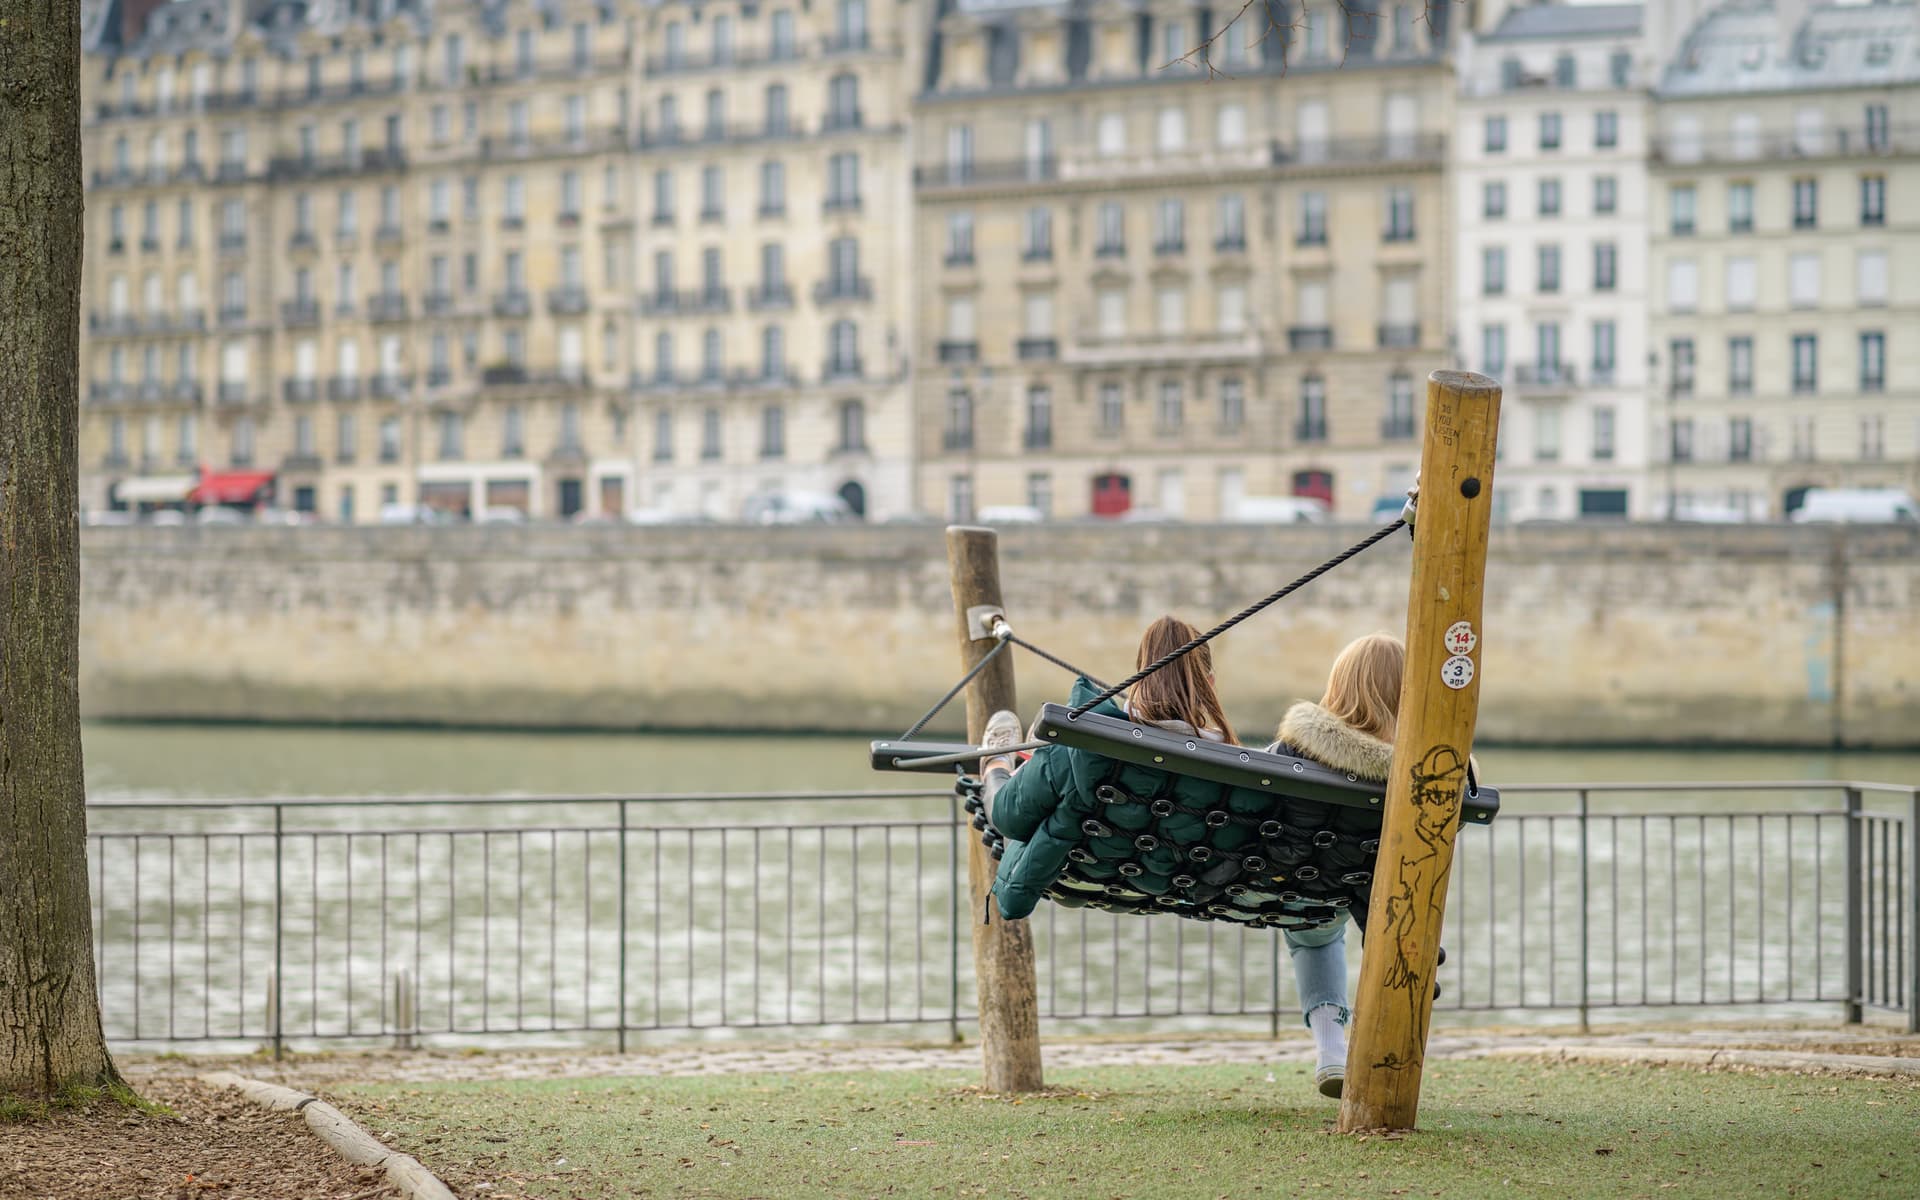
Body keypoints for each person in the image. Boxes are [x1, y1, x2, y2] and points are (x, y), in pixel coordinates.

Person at [978, 615, 1235, 920]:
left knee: (1015, 797)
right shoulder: (1233, 772)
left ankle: (995, 759)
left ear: (1141, 677)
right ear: (1210, 684)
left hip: (1078, 868)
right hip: (1169, 883)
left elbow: (1009, 817)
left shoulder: (1088, 746)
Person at [1266, 631, 1405, 1099]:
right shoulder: (1419, 770)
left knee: (1314, 925)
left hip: (1287, 883)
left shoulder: (1291, 751)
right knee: (1335, 909)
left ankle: (1330, 1046)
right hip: (1376, 900)